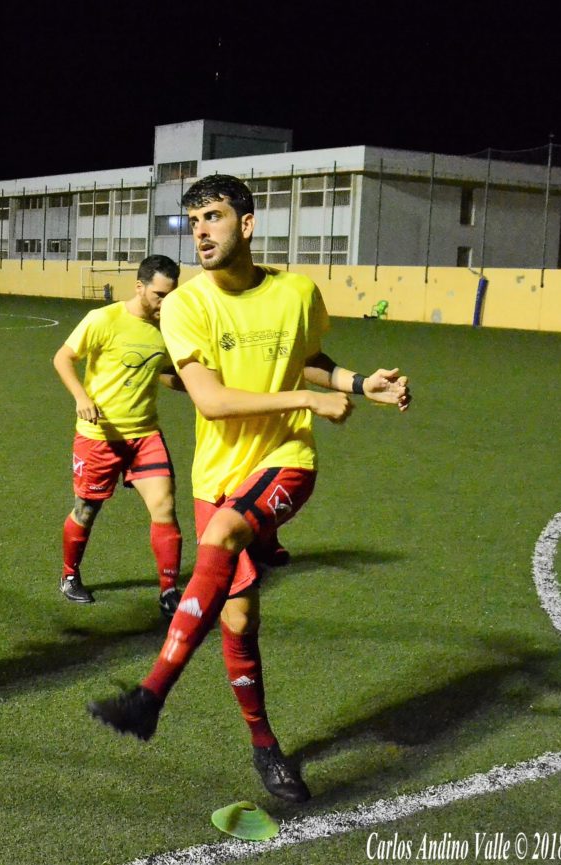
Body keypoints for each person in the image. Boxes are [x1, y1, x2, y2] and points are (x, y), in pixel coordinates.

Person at [87, 175, 411, 803]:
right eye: (193, 222)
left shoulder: (297, 291)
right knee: (239, 617)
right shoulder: (185, 305)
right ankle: (265, 745)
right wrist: (308, 399)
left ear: (248, 223)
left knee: (224, 534)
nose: (201, 231)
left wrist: (357, 382)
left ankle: (150, 697)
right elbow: (210, 401)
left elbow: (307, 357)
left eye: (212, 216)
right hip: (218, 474)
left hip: (287, 459)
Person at [53, 254, 186, 617]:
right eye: (159, 295)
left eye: (171, 296)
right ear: (140, 287)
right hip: (100, 435)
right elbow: (63, 358)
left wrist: (198, 386)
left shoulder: (167, 328)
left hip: (145, 434)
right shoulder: (104, 319)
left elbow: (162, 371)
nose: (165, 303)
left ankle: (169, 591)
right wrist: (81, 397)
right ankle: (69, 575)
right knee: (86, 509)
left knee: (165, 506)